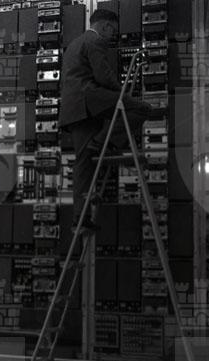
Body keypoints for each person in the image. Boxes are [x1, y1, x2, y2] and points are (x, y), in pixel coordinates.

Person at [59, 9, 152, 230]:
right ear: (104, 26)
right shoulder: (95, 41)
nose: (113, 36)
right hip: (90, 100)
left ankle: (80, 219)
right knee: (142, 109)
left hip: (73, 109)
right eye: (112, 30)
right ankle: (103, 142)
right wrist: (122, 93)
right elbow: (103, 75)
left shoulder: (74, 44)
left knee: (83, 163)